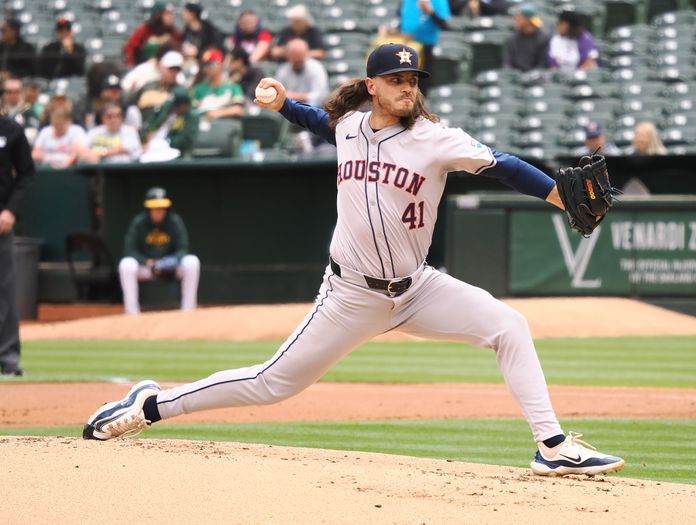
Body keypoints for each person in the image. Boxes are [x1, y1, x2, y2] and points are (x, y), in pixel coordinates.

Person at [82, 43, 625, 479]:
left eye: (413, 80)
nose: (408, 87)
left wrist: (557, 193)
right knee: (274, 383)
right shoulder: (348, 128)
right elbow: (320, 121)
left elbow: (503, 165)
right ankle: (151, 405)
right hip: (349, 295)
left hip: (417, 290)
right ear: (373, 87)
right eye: (396, 80)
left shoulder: (436, 140)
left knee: (509, 325)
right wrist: (281, 105)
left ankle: (551, 447)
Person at [117, 187, 200, 315]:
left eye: (162, 208)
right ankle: (132, 313)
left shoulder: (174, 221)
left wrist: (168, 262)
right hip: (147, 268)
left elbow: (183, 249)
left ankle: (188, 311)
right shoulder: (139, 223)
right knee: (126, 264)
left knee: (192, 262)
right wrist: (147, 261)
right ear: (149, 209)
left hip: (169, 266)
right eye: (155, 208)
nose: (159, 212)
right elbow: (130, 250)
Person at [0, 115, 35, 376]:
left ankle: (8, 357)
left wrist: (11, 210)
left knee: (6, 289)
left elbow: (26, 172)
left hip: (1, 221)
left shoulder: (11, 129)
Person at [399, 0, 450, 94]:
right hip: (406, 46)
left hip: (426, 46)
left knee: (421, 84)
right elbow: (401, 20)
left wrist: (430, 11)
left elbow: (445, 24)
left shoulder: (438, 1)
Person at [140, 86, 198, 161]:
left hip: (171, 150)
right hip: (150, 147)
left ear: (185, 105)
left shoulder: (191, 117)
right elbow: (147, 127)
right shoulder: (163, 110)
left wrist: (167, 143)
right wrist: (145, 141)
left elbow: (186, 139)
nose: (173, 108)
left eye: (177, 106)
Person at [130, 50, 185, 127]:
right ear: (161, 67)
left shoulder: (181, 91)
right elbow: (132, 106)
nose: (173, 73)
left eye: (176, 70)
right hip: (143, 128)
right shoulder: (148, 87)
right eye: (170, 69)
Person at [190, 48, 244, 120]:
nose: (207, 69)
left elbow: (238, 110)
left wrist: (215, 113)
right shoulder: (198, 89)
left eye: (210, 65)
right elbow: (192, 111)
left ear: (220, 65)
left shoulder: (233, 87)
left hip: (224, 126)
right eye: (205, 66)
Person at [273, 39, 328, 108]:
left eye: (300, 59)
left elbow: (320, 96)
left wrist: (296, 96)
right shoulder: (283, 70)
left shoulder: (316, 67)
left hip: (312, 109)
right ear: (288, 56)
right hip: (289, 108)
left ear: (306, 54)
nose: (298, 61)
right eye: (295, 59)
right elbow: (277, 94)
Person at [506, 4, 550, 72]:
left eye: (518, 17)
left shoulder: (543, 37)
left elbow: (543, 65)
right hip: (515, 77)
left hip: (536, 78)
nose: (515, 19)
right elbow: (508, 63)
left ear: (527, 20)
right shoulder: (512, 38)